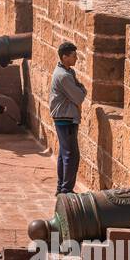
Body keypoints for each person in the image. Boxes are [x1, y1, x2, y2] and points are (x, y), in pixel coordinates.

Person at [49, 41, 87, 193]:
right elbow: (79, 95)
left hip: (65, 117)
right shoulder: (64, 76)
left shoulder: (68, 72)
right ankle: (66, 190)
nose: (76, 58)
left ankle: (61, 187)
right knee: (71, 155)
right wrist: (82, 89)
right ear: (64, 57)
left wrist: (79, 88)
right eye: (73, 56)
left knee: (64, 154)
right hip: (66, 117)